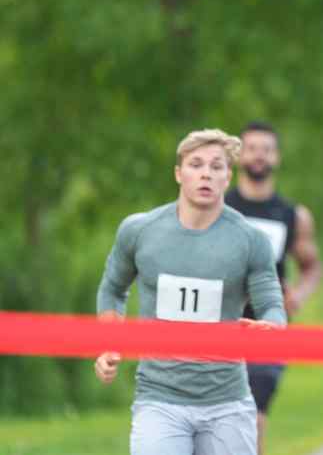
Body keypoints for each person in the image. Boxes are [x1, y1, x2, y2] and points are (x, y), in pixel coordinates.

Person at [94, 128, 286, 455]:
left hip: (227, 400)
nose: (206, 174)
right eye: (196, 164)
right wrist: (108, 342)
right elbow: (112, 289)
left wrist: (271, 326)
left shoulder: (250, 240)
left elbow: (271, 303)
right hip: (159, 398)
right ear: (179, 173)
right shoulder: (140, 231)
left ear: (228, 176)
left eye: (216, 166)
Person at [225, 121, 323, 455]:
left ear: (276, 157)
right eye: (251, 148)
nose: (258, 156)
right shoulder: (219, 207)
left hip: (268, 325)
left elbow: (312, 267)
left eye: (266, 149)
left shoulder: (292, 215)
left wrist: (297, 295)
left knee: (254, 416)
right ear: (239, 155)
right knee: (216, 418)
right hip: (219, 323)